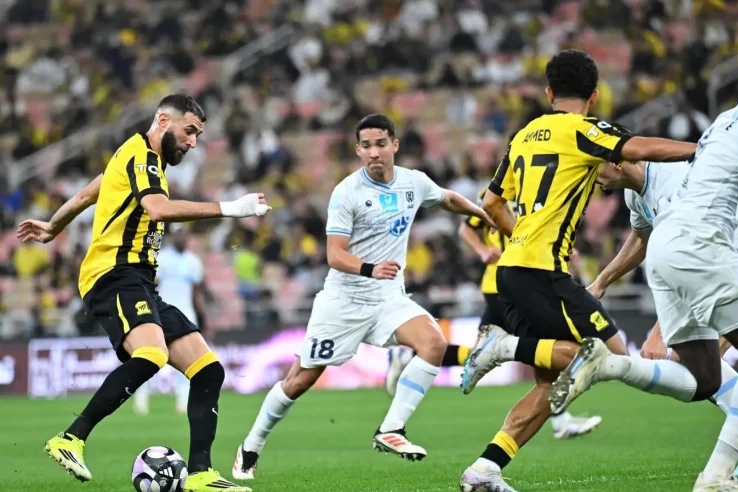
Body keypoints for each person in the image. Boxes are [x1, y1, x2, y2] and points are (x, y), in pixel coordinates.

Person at [547, 39, 738, 492]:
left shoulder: (730, 117)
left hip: (703, 249)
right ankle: (735, 464)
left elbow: (725, 196)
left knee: (702, 375)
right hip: (703, 247)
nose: (594, 177)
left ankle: (612, 367)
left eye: (597, 167)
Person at [457, 49, 698, 492]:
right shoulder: (584, 130)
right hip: (542, 272)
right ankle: (503, 347)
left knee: (552, 383)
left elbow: (491, 203)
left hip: (514, 268)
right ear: (594, 95)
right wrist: (703, 150)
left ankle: (485, 469)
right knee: (610, 355)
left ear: (549, 93)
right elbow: (640, 149)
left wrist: (520, 236)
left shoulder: (524, 135)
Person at [18, 94, 268, 492]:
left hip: (140, 280)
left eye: (198, 135)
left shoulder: (139, 159)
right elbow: (159, 210)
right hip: (113, 274)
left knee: (208, 370)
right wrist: (230, 208)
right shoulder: (143, 158)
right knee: (152, 354)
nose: (193, 142)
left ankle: (201, 475)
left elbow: (87, 194)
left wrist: (53, 226)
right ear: (163, 120)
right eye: (189, 131)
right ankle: (70, 439)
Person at [232, 114, 495, 480]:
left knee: (433, 343)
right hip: (344, 300)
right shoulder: (347, 192)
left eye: (381, 144)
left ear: (394, 145)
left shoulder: (413, 182)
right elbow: (334, 254)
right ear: (357, 150)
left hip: (387, 296)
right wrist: (371, 268)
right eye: (367, 146)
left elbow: (447, 198)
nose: (374, 152)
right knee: (299, 381)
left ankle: (391, 428)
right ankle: (250, 447)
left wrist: (483, 214)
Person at [590, 158, 738, 477]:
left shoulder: (672, 185)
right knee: (698, 361)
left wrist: (661, 330)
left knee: (697, 360)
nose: (593, 178)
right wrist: (602, 282)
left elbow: (694, 260)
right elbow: (642, 238)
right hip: (721, 263)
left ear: (617, 163)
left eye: (595, 168)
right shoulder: (635, 192)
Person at [385, 190, 604, 441]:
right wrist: (481, 250)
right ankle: (560, 419)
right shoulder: (498, 194)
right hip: (508, 285)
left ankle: (410, 355)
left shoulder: (538, 189)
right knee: (538, 349)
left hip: (513, 284)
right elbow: (467, 228)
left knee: (482, 354)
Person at [133, 228, 208, 416]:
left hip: (186, 314)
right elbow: (149, 285)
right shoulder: (162, 258)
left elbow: (197, 292)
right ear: (173, 237)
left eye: (185, 236)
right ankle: (141, 400)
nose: (182, 238)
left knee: (188, 359)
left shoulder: (193, 261)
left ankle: (183, 401)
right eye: (179, 235)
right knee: (150, 357)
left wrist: (202, 315)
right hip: (162, 314)